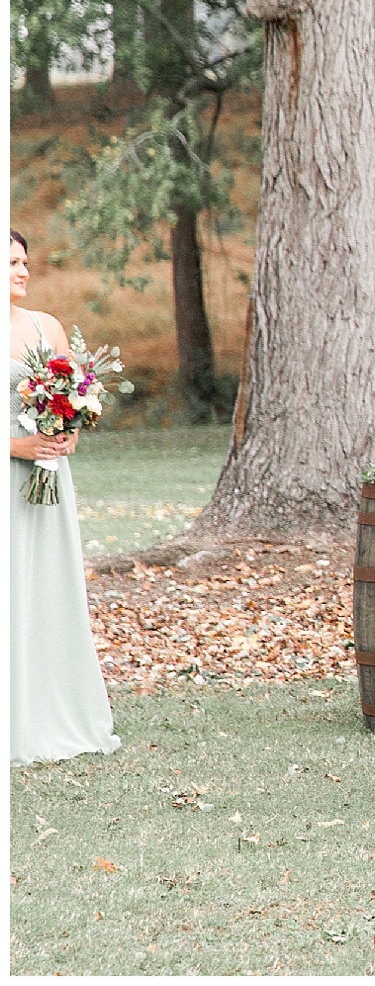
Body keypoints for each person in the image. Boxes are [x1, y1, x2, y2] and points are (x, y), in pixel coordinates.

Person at [9, 228, 121, 766]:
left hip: (47, 477)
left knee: (47, 587)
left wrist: (70, 428)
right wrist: (18, 445)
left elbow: (76, 393)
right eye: (11, 263)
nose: (22, 271)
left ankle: (51, 708)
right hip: (10, 468)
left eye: (24, 261)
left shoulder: (46, 327)